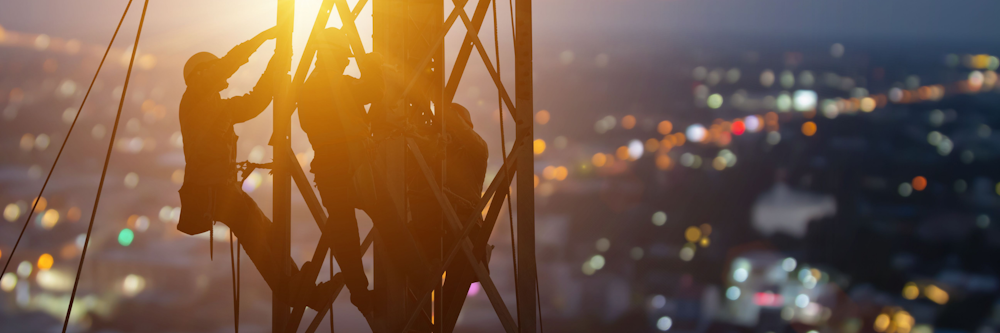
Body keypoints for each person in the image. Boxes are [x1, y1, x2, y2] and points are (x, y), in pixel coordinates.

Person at [177, 27, 327, 310]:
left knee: (268, 233)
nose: (216, 74)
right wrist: (262, 40)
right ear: (198, 76)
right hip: (212, 189)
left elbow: (257, 100)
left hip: (220, 188)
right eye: (209, 70)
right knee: (255, 236)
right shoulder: (193, 101)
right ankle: (292, 292)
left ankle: (306, 293)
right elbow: (226, 67)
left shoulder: (218, 108)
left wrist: (278, 59)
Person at [296, 27, 385, 316]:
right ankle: (417, 269)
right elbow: (371, 89)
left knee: (345, 232)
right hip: (353, 166)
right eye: (344, 57)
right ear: (332, 55)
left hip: (329, 169)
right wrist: (373, 63)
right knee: (389, 218)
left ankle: (360, 293)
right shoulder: (334, 84)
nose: (347, 62)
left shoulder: (310, 88)